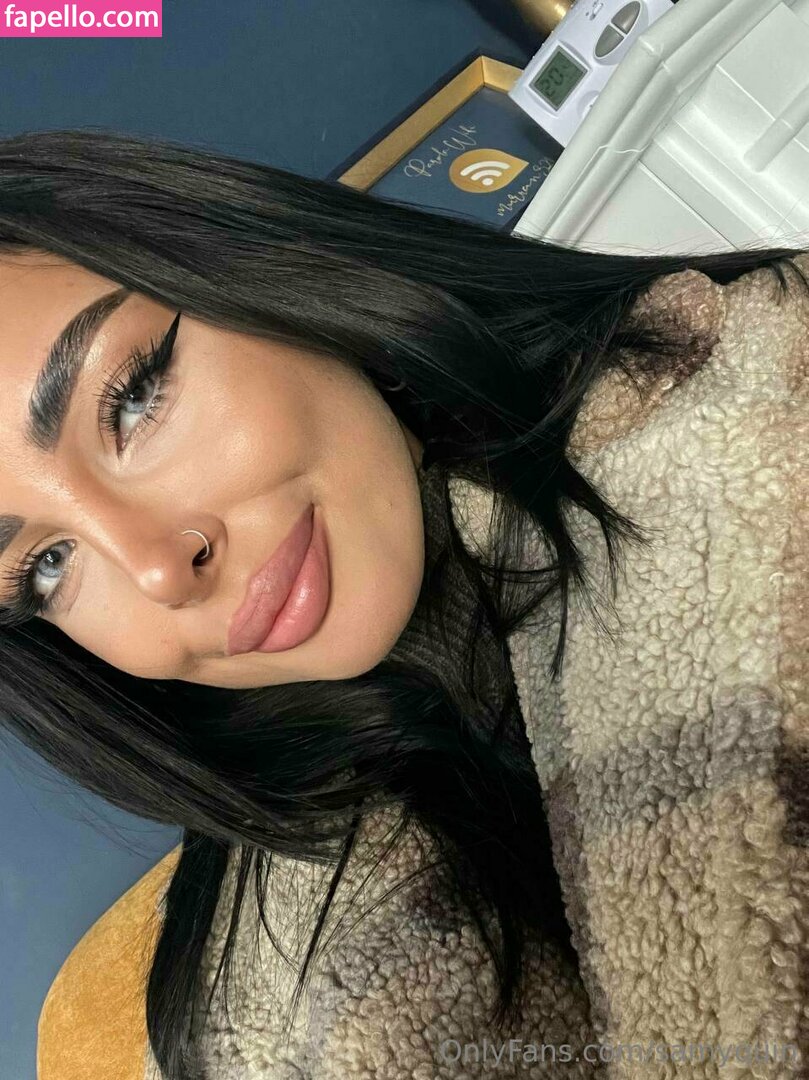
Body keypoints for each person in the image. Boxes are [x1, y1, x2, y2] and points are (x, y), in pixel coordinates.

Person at [0, 128, 806, 1079]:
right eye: (45, 567)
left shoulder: (768, 407)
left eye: (131, 402)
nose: (157, 572)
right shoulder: (265, 996)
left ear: (266, 274)